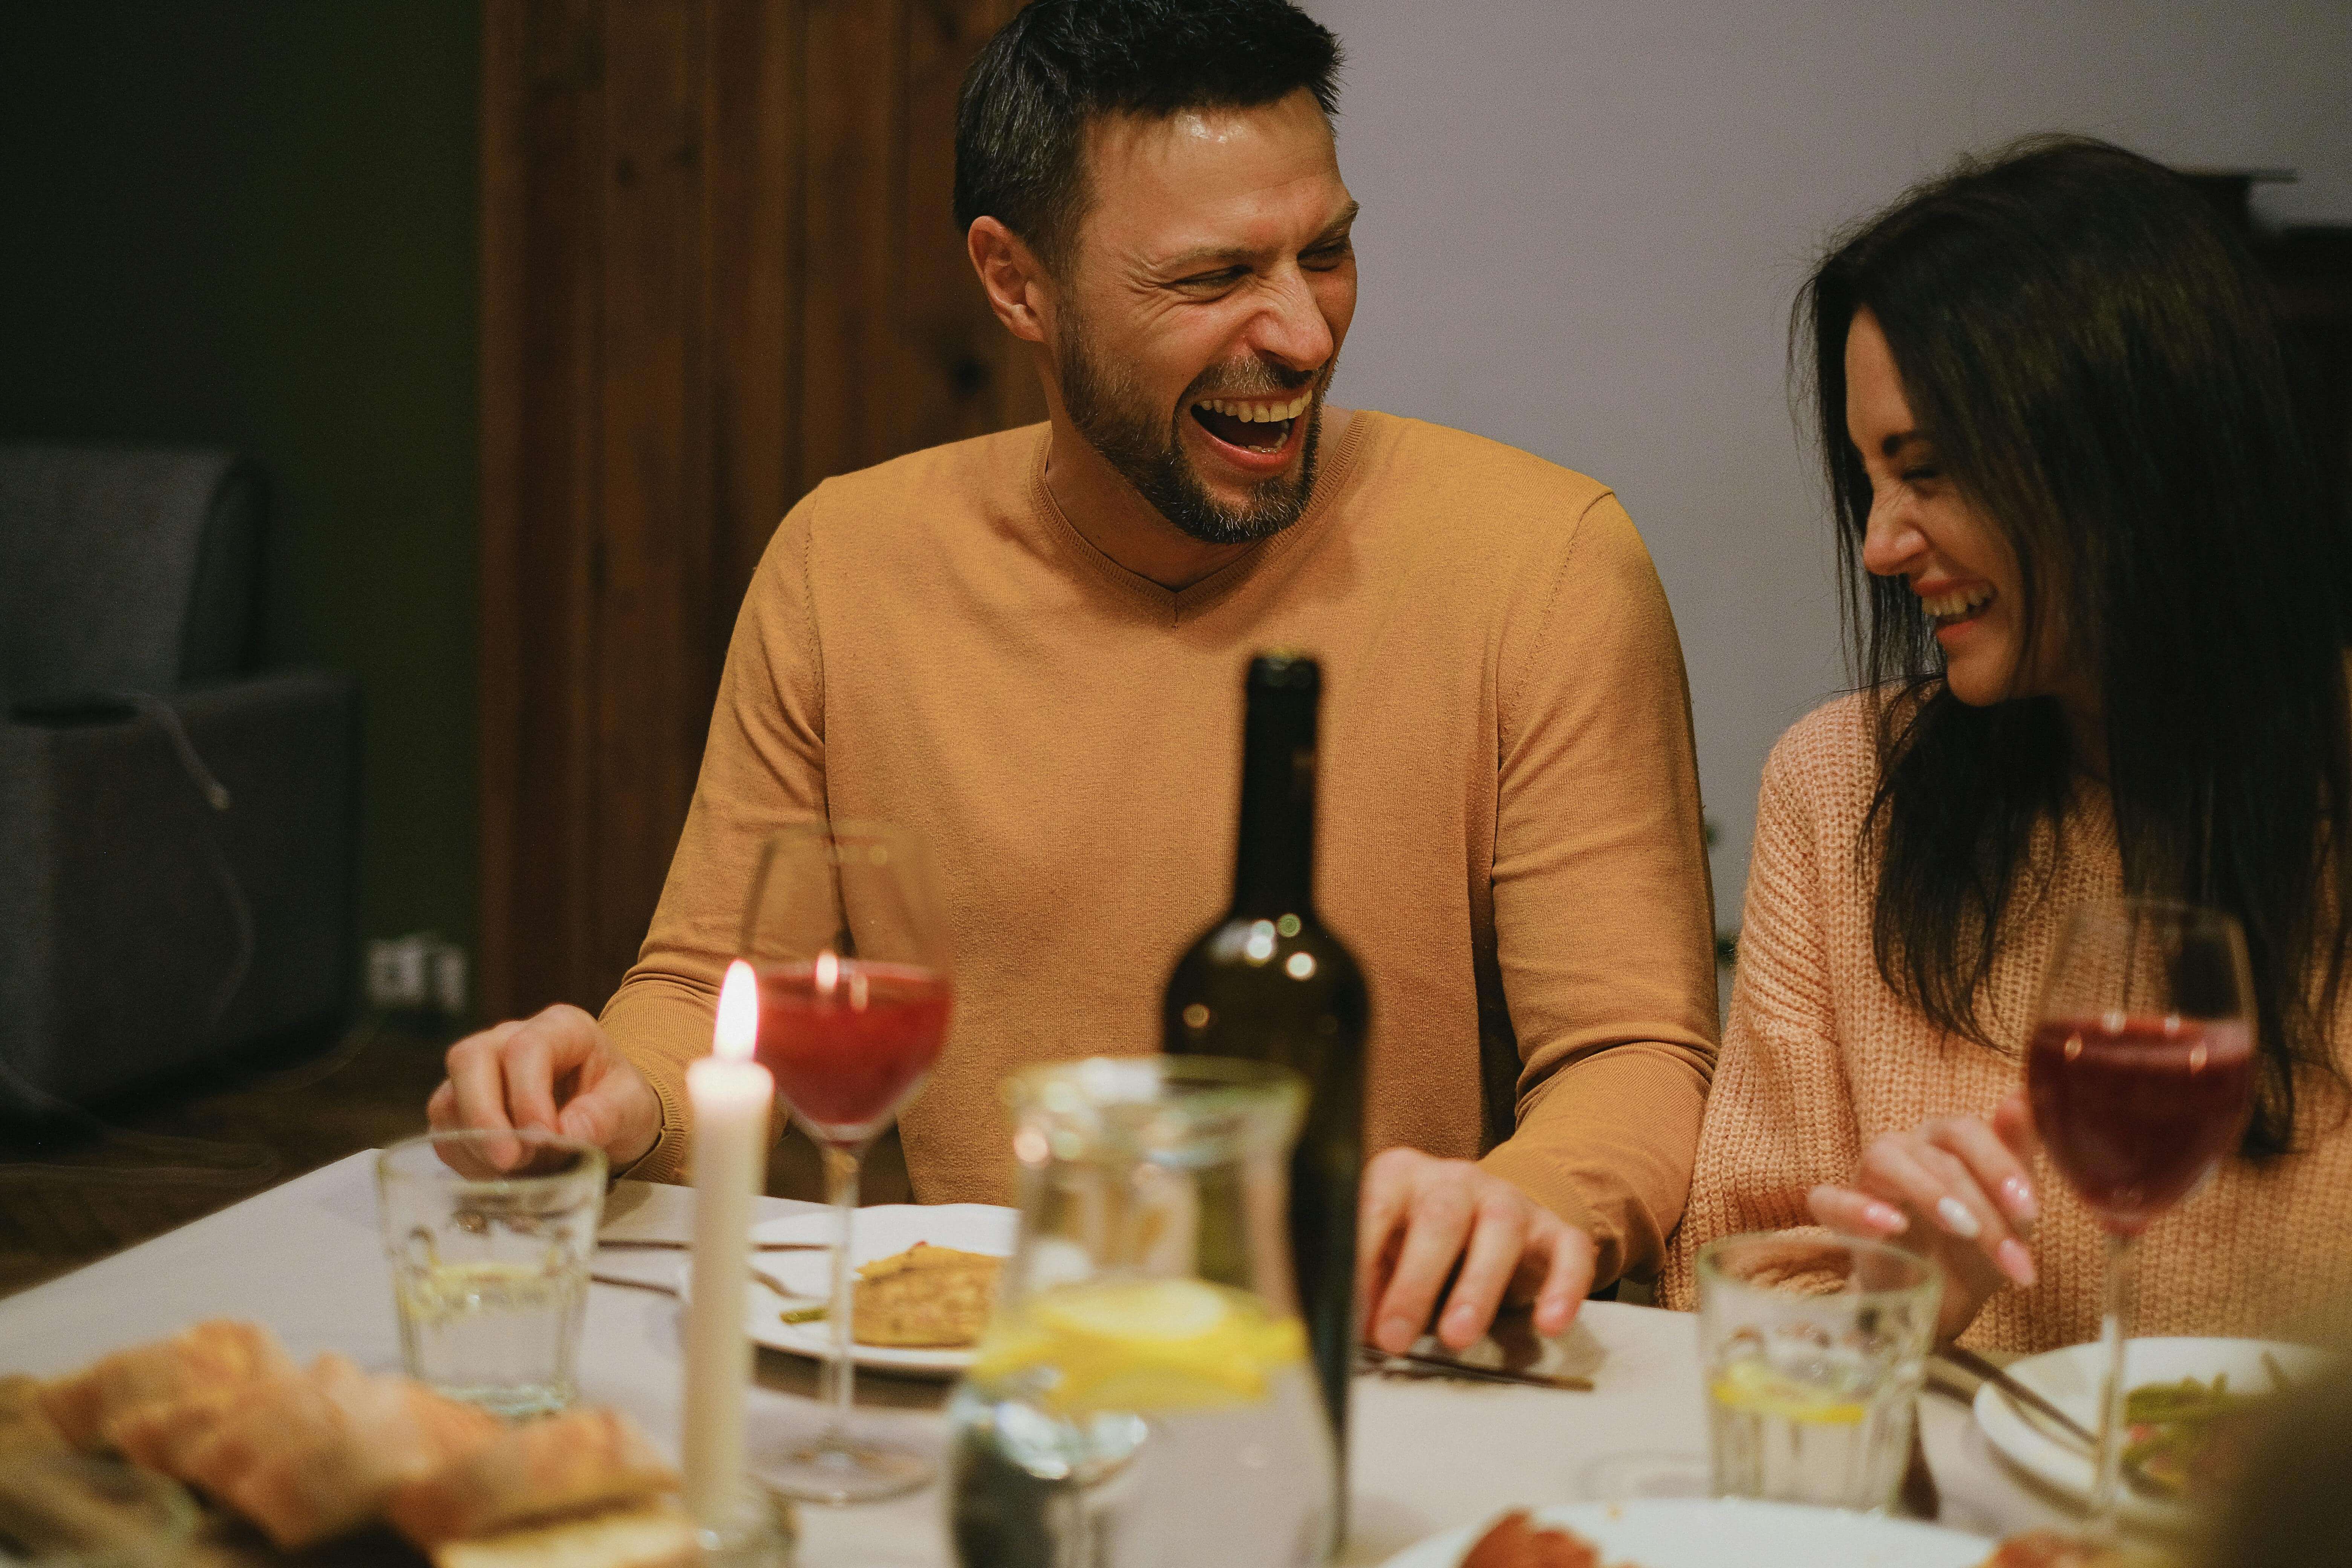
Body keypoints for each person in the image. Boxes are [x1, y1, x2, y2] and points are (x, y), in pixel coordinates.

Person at [429, 0, 1720, 1353]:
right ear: (1017, 282)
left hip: (1375, 1361)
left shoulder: (1545, 561)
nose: (1300, 334)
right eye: (1212, 279)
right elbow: (714, 996)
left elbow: (1634, 1057)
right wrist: (616, 1097)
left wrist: (1506, 1210)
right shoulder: (846, 562)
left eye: (1327, 252)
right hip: (977, 1369)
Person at [1662, 137, 2352, 1350]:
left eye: (1929, 472)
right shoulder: (1843, 787)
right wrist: (1897, 1308)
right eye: (1871, 478)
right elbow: (1732, 1308)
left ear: (2129, 460)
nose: (1881, 545)